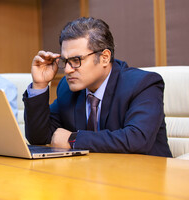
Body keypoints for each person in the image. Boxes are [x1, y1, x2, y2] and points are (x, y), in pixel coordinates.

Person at [23, 17, 172, 157]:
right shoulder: (67, 88)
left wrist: (73, 139)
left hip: (145, 177)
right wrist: (39, 85)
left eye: (76, 60)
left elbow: (137, 139)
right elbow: (39, 138)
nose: (67, 70)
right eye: (65, 61)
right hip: (94, 176)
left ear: (104, 58)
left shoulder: (143, 84)